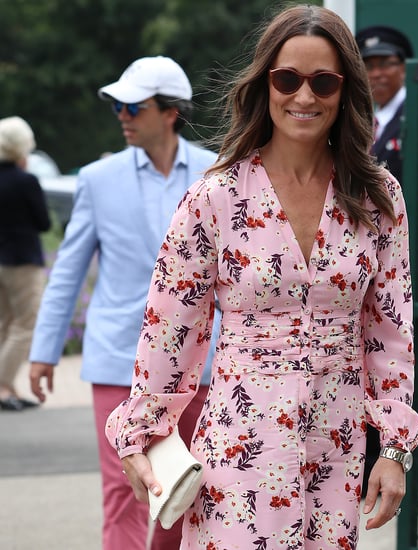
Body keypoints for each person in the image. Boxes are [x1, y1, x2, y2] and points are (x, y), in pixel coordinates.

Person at [106, 6, 418, 549]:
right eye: (288, 79)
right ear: (265, 84)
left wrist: (392, 450)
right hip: (240, 443)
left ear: (345, 90)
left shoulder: (378, 198)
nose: (305, 96)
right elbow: (170, 327)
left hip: (337, 444)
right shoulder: (216, 196)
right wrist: (142, 434)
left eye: (323, 81)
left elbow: (390, 335)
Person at [28, 56, 219, 550]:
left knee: (186, 489)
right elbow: (68, 269)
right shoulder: (97, 178)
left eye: (133, 105)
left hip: (199, 363)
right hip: (118, 360)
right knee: (124, 489)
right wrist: (44, 351)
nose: (121, 115)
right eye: (117, 105)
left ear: (170, 111)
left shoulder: (219, 172)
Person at [355, 25, 418, 506]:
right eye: (368, 65)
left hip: (415, 278)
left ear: (405, 69)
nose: (377, 74)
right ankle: (363, 474)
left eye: (387, 64)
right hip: (360, 278)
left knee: (415, 378)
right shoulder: (352, 126)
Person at [0, 116, 51, 411]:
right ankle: (3, 385)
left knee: (4, 324)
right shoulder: (26, 181)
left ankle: (8, 387)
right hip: (22, 260)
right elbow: (43, 223)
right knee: (25, 325)